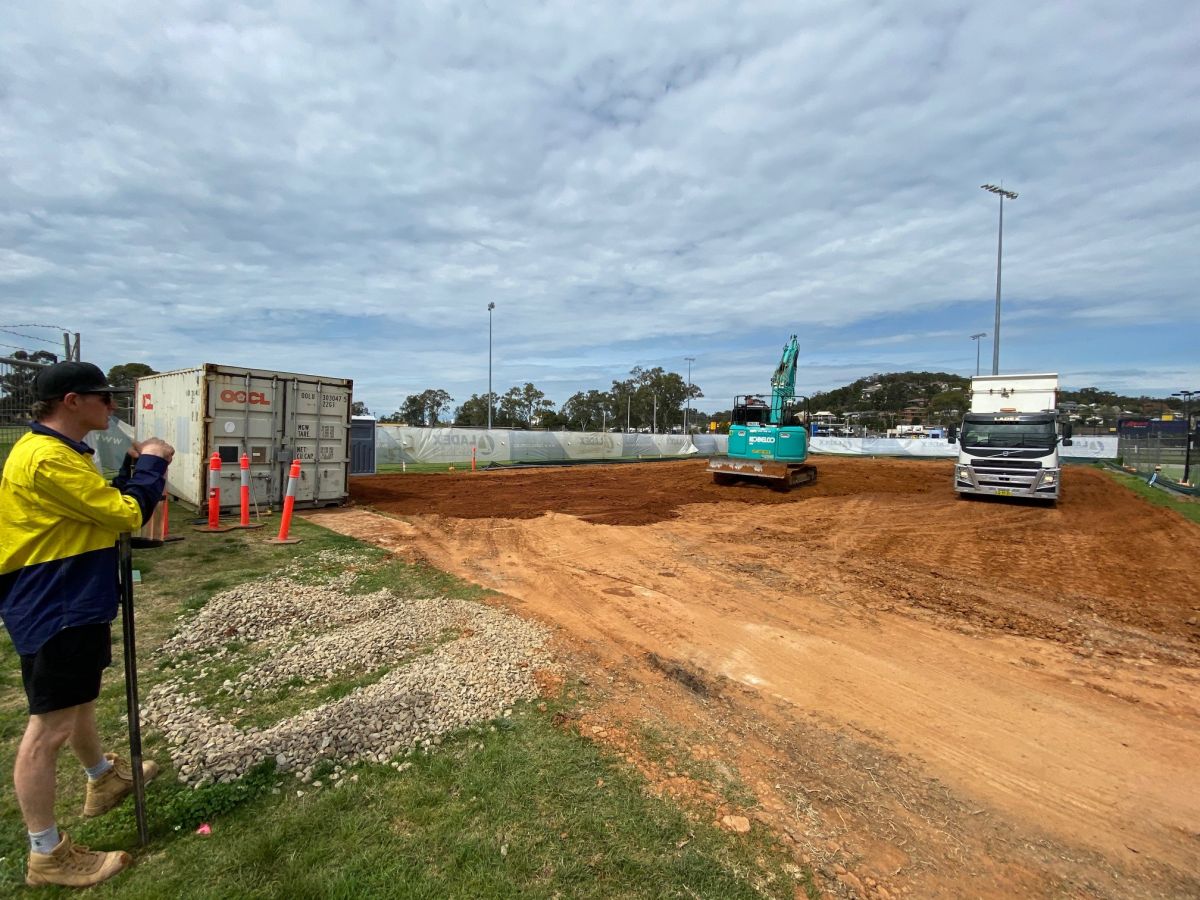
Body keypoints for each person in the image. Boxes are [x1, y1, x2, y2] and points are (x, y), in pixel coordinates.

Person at [0, 361, 174, 888]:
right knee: (49, 726)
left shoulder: (63, 454)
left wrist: (126, 474)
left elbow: (98, 511)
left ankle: (102, 779)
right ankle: (47, 853)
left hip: (72, 593)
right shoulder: (47, 459)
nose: (113, 406)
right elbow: (124, 516)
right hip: (57, 599)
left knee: (77, 703)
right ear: (71, 401)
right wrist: (151, 467)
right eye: (103, 397)